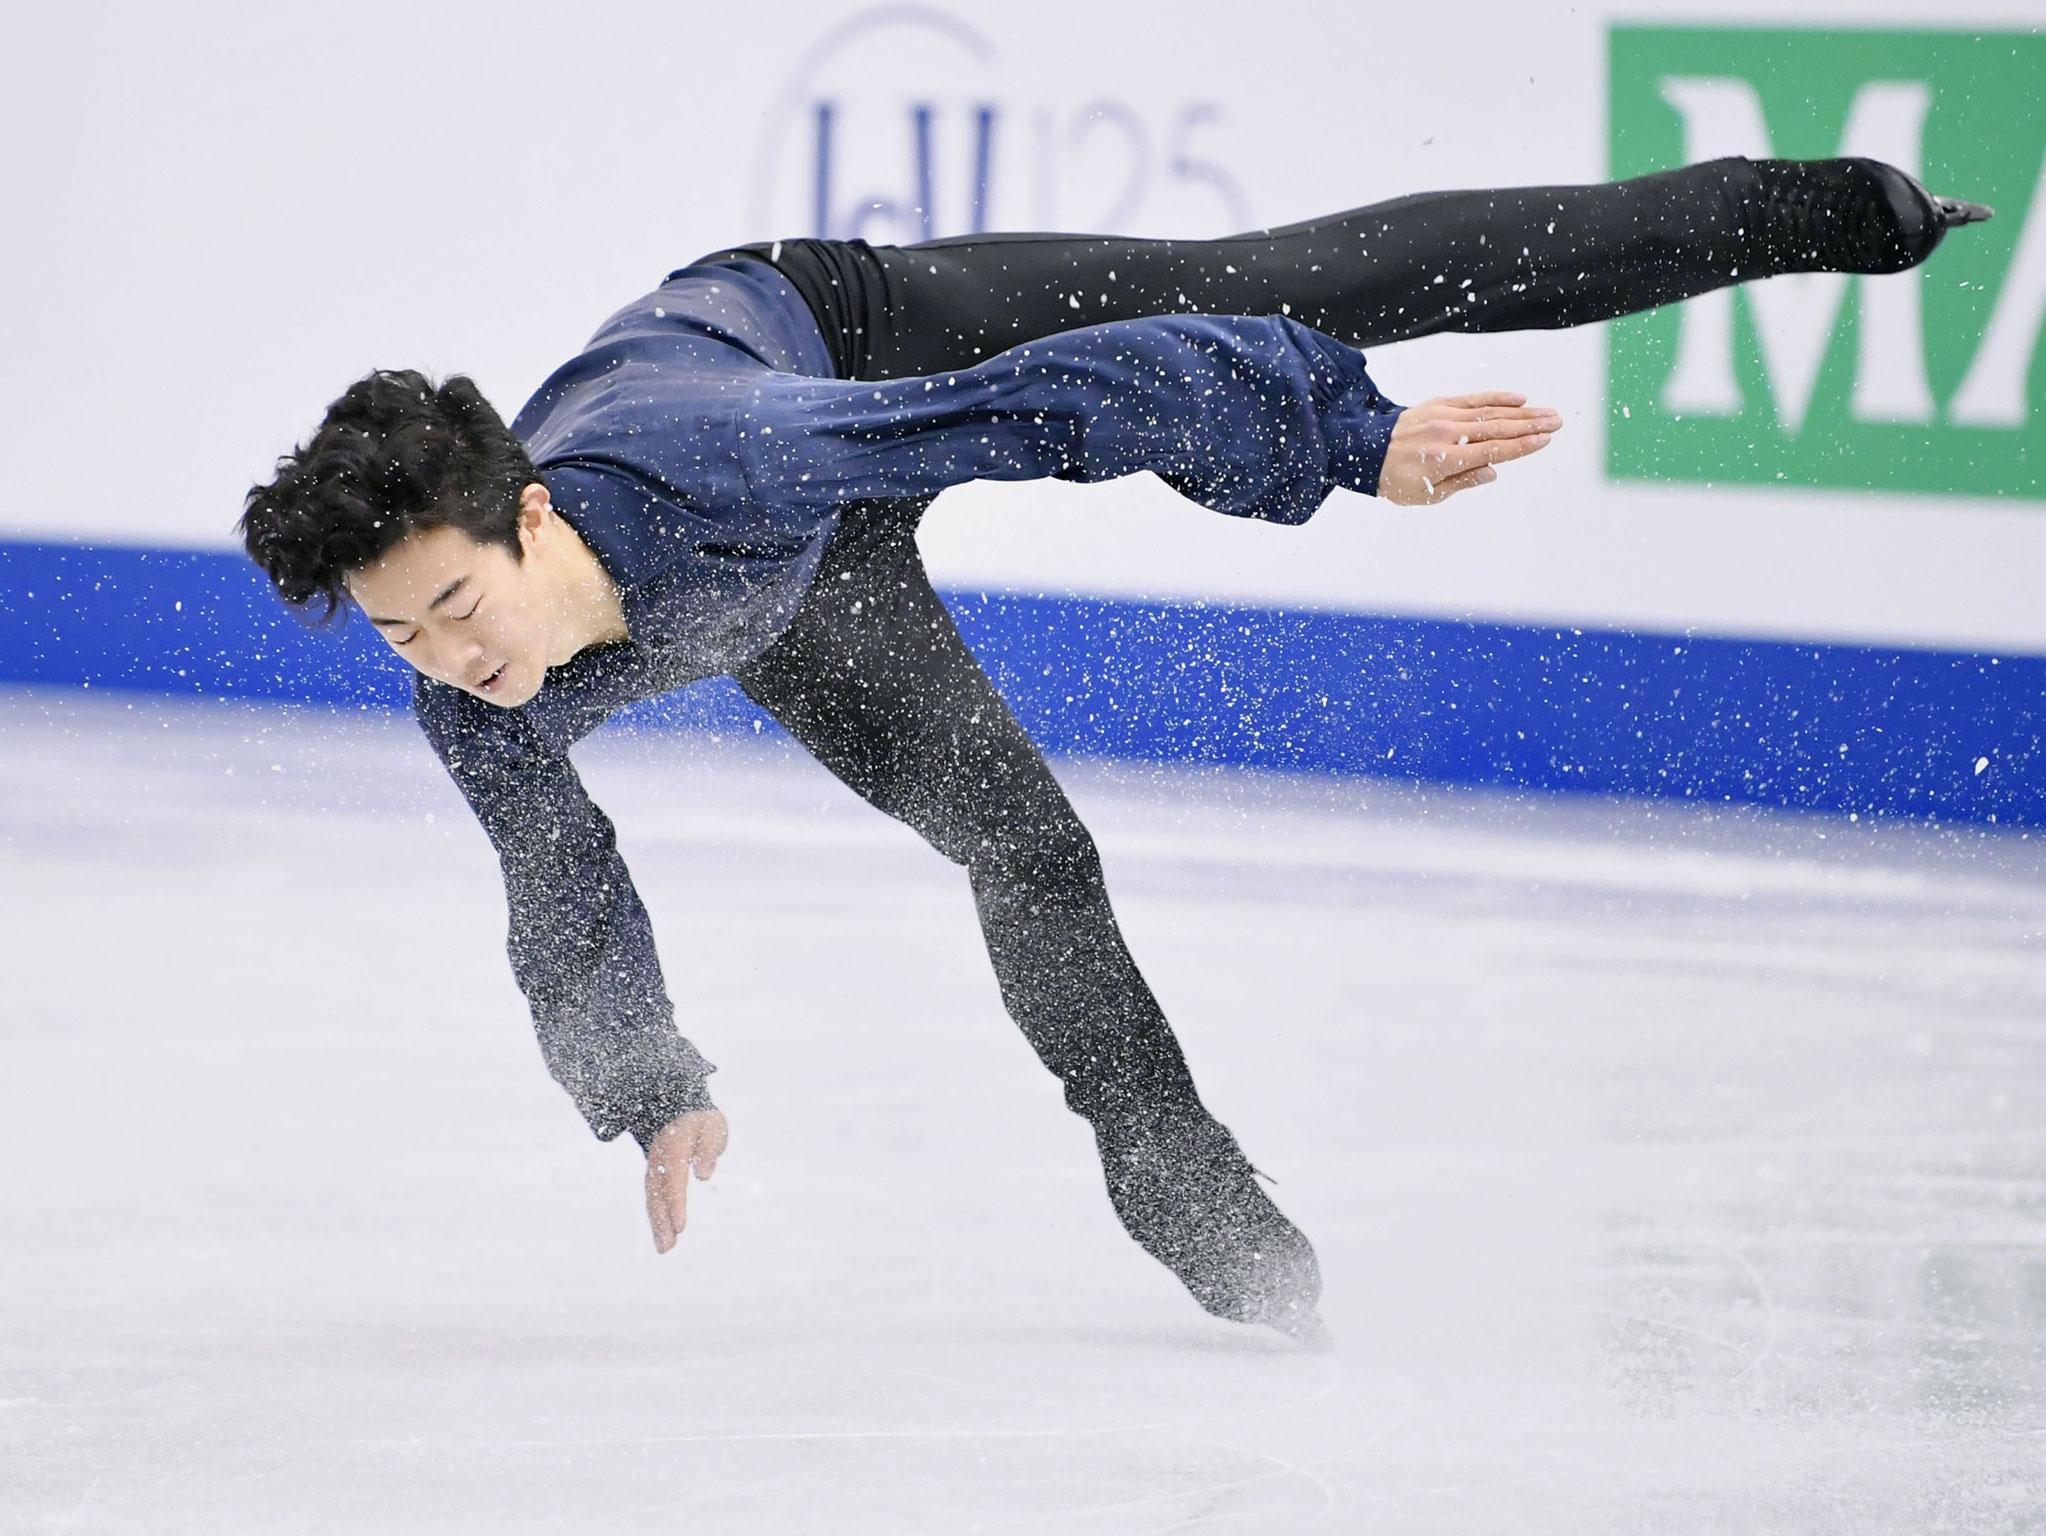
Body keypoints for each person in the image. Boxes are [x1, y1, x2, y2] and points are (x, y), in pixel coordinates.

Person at [237, 156, 1989, 1345]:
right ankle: (1187, 1188)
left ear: (528, 520)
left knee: (1305, 284)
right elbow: (562, 884)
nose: (456, 661)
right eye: (403, 635)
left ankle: (1829, 210)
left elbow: (1057, 403)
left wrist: (1346, 432)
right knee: (1025, 843)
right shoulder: (470, 694)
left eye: (461, 601)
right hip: (788, 592)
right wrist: (650, 1088)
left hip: (849, 347)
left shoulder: (747, 456)